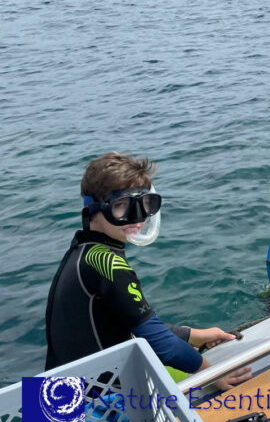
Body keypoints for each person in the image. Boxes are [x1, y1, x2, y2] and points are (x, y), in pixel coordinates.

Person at [45, 152, 251, 390]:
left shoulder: (82, 251)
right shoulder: (107, 263)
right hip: (95, 404)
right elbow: (162, 345)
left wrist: (193, 334)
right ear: (93, 210)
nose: (137, 218)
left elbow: (128, 322)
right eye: (121, 206)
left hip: (48, 399)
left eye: (144, 204)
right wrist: (213, 374)